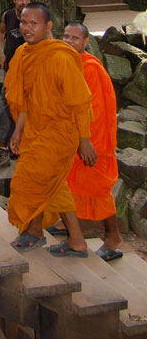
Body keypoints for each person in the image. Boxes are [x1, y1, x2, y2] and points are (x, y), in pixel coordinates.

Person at [6, 3, 96, 257]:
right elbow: (24, 98)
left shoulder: (60, 57)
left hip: (60, 132)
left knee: (27, 180)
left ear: (48, 27)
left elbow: (80, 102)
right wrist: (18, 131)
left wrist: (84, 140)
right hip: (36, 129)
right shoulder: (24, 54)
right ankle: (73, 240)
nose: (27, 28)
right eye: (24, 22)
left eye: (34, 24)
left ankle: (35, 231)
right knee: (53, 185)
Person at [48, 21, 123, 261]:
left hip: (91, 139)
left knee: (97, 188)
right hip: (71, 135)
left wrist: (84, 141)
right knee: (65, 181)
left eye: (75, 38)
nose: (70, 41)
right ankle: (66, 225)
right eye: (66, 37)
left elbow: (95, 111)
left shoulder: (90, 68)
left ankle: (113, 237)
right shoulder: (67, 62)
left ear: (86, 42)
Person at [0, 0, 34, 171]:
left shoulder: (35, 18)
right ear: (14, 0)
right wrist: (1, 52)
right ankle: (3, 152)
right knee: (5, 109)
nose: (23, 2)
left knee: (32, 110)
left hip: (31, 72)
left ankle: (25, 150)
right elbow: (0, 33)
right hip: (12, 71)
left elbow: (49, 40)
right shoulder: (8, 16)